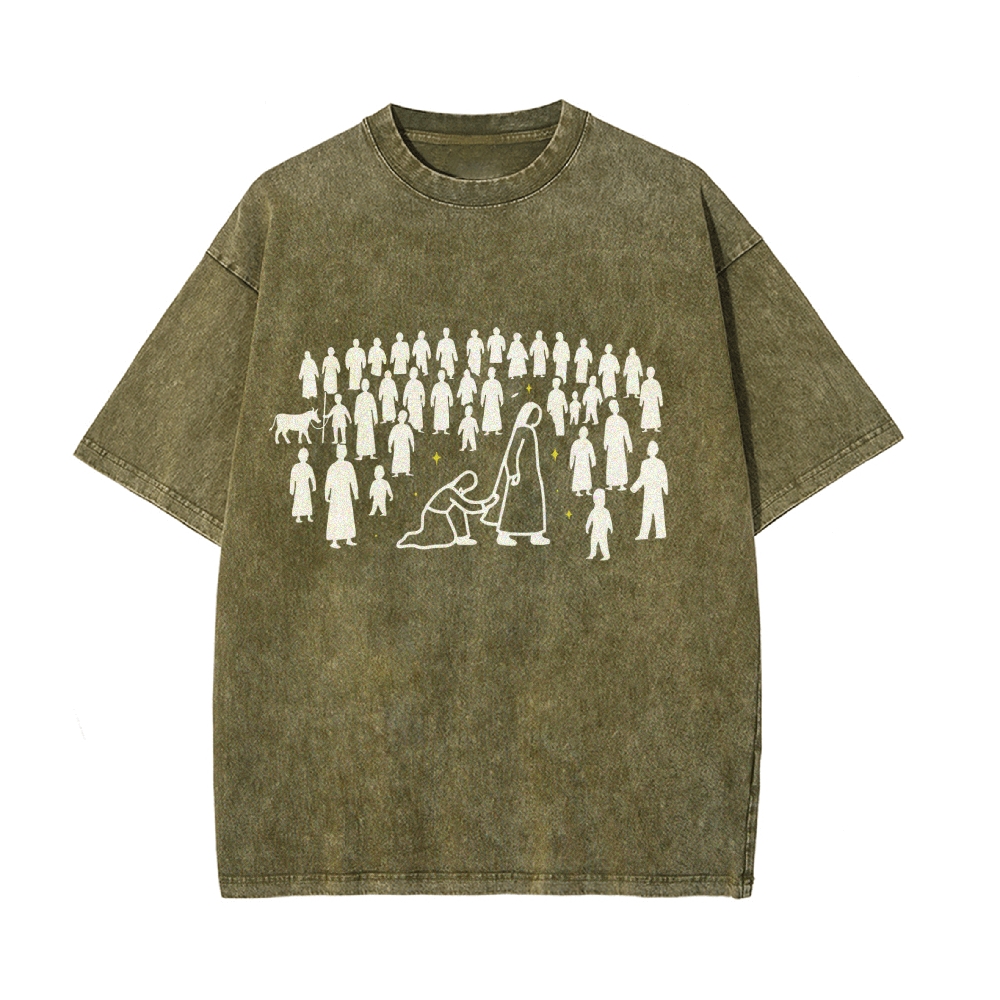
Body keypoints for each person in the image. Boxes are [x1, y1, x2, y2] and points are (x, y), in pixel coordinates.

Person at [481, 401, 550, 547]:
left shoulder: (527, 430)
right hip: (521, 477)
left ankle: (536, 534)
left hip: (530, 476)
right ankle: (504, 535)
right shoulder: (523, 431)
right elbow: (511, 455)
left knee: (533, 504)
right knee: (514, 505)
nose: (536, 419)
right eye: (535, 416)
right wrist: (513, 473)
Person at [396, 471, 498, 549]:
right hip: (434, 516)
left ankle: (462, 537)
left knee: (457, 511)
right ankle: (411, 539)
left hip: (440, 515)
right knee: (446, 540)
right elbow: (468, 506)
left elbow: (465, 506)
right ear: (462, 484)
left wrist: (486, 503)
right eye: (465, 488)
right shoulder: (450, 491)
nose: (464, 491)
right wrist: (486, 504)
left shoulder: (452, 491)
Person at [630, 440, 670, 540]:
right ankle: (644, 534)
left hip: (657, 491)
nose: (651, 450)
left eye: (653, 448)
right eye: (650, 448)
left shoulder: (660, 463)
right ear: (648, 450)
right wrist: (634, 487)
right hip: (648, 491)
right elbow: (642, 477)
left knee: (658, 511)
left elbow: (664, 476)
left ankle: (661, 533)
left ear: (657, 450)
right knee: (647, 512)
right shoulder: (645, 463)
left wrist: (665, 488)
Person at [324, 444, 358, 548]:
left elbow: (353, 480)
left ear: (346, 453)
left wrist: (355, 493)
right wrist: (327, 494)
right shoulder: (333, 467)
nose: (342, 453)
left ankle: (349, 538)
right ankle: (334, 541)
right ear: (337, 453)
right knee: (335, 516)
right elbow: (328, 482)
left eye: (343, 451)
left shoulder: (349, 465)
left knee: (347, 515)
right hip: (336, 495)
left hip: (346, 495)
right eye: (340, 451)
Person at [603, 399, 633, 490]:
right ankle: (610, 484)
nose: (615, 408)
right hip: (612, 446)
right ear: (610, 409)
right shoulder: (609, 420)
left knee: (620, 464)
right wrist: (605, 443)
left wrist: (629, 445)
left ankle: (622, 484)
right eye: (613, 407)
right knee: (611, 464)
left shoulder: (622, 420)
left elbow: (626, 434)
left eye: (616, 406)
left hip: (619, 445)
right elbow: (606, 433)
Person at [585, 489, 613, 561]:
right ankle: (592, 554)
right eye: (597, 500)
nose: (599, 502)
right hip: (595, 530)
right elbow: (589, 520)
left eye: (601, 500)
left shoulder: (605, 511)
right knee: (593, 541)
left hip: (603, 530)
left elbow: (608, 520)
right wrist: (587, 527)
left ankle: (606, 555)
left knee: (603, 542)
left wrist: (610, 527)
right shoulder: (593, 511)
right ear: (594, 501)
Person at [289, 448, 316, 522]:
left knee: (307, 501)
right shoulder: (296, 467)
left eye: (305, 456)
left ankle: (309, 516)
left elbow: (312, 477)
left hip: (306, 487)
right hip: (299, 487)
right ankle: (298, 517)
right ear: (299, 457)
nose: (303, 458)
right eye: (302, 456)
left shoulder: (308, 467)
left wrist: (314, 486)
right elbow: (292, 479)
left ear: (307, 458)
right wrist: (292, 489)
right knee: (298, 501)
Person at [354, 378, 378, 458]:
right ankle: (360, 454)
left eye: (366, 385)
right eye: (363, 384)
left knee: (369, 435)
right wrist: (356, 419)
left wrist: (375, 418)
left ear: (368, 386)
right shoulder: (359, 397)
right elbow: (357, 409)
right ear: (361, 386)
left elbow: (374, 408)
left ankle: (371, 454)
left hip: (368, 418)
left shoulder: (370, 396)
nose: (364, 386)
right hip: (361, 418)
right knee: (361, 435)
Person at [569, 426, 596, 495]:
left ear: (587, 434)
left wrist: (593, 461)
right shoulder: (576, 443)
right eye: (582, 433)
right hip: (578, 462)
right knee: (578, 475)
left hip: (585, 462)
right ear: (579, 434)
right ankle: (578, 491)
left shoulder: (588, 443)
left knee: (586, 475)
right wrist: (571, 463)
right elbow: (572, 454)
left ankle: (587, 490)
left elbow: (592, 453)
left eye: (584, 433)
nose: (583, 434)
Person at [387, 410, 415, 476]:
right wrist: (389, 446)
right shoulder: (395, 427)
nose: (401, 418)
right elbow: (391, 437)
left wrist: (412, 445)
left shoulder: (407, 427)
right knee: (397, 457)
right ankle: (396, 472)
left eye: (403, 417)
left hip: (405, 446)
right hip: (398, 446)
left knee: (406, 458)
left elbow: (411, 437)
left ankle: (407, 471)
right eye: (400, 417)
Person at [479, 366, 504, 434]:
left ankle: (497, 430)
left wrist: (501, 400)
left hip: (495, 401)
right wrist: (482, 401)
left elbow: (500, 392)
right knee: (488, 415)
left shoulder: (497, 383)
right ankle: (487, 430)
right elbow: (483, 393)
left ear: (494, 374)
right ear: (488, 374)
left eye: (492, 372)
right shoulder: (486, 383)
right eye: (490, 372)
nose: (491, 374)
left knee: (495, 415)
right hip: (488, 402)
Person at [401, 368, 426, 432]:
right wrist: (404, 401)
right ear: (410, 374)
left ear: (417, 374)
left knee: (418, 414)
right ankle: (410, 427)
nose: (413, 374)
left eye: (415, 373)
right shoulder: (408, 383)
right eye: (412, 373)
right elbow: (405, 393)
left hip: (417, 401)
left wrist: (423, 401)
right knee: (411, 413)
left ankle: (419, 428)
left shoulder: (419, 383)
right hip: (411, 402)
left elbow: (422, 393)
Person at [640, 366, 664, 431]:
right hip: (647, 401)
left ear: (653, 373)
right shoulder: (645, 383)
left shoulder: (656, 383)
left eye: (651, 373)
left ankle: (656, 427)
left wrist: (661, 402)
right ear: (647, 374)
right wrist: (641, 402)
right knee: (646, 413)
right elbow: (642, 393)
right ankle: (645, 427)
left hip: (654, 401)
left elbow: (659, 393)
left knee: (654, 413)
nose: (650, 374)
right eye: (648, 373)